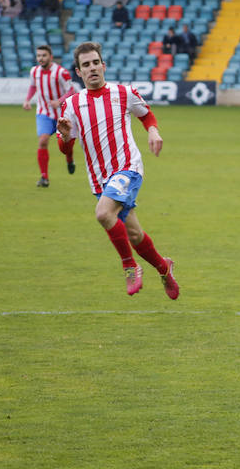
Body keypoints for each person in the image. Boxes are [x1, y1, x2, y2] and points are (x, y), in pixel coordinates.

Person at [57, 41, 179, 299]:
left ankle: (129, 266)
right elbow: (66, 151)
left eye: (95, 63)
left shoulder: (123, 93)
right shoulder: (72, 105)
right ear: (78, 72)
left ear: (104, 65)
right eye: (85, 65)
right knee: (134, 234)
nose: (92, 68)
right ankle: (163, 268)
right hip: (99, 179)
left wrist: (154, 131)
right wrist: (66, 138)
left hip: (127, 168)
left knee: (103, 213)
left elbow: (146, 115)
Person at [22, 44, 77, 187]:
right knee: (43, 141)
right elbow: (33, 86)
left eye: (44, 55)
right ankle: (44, 177)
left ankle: (69, 159)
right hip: (44, 113)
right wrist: (27, 100)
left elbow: (71, 90)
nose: (41, 58)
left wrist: (59, 101)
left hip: (61, 114)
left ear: (50, 57)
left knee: (65, 145)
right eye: (38, 55)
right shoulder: (34, 71)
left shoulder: (61, 72)